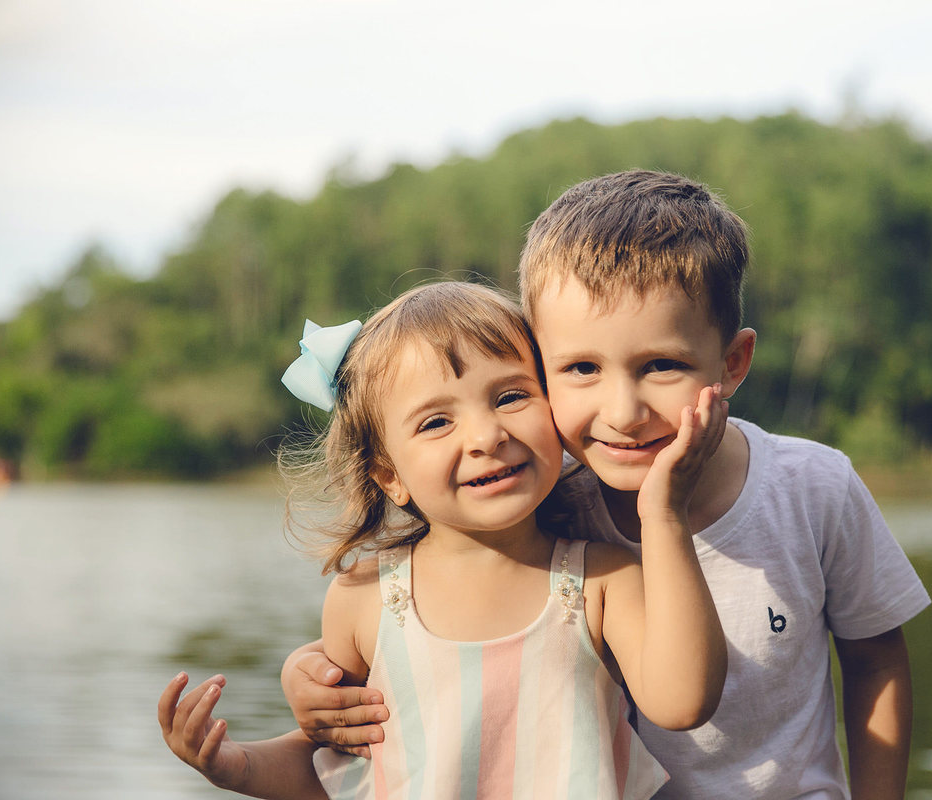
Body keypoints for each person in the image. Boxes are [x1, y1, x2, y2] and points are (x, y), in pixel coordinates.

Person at [283, 170, 932, 799]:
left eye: (662, 366)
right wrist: (310, 673)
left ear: (732, 363)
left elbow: (876, 663)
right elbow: (446, 624)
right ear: (540, 368)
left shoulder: (814, 488)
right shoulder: (546, 505)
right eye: (582, 368)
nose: (623, 411)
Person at [158, 281, 729, 799]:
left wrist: (664, 515)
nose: (487, 435)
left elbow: (682, 703)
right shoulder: (363, 599)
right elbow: (339, 766)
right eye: (436, 422)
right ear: (389, 474)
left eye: (510, 397)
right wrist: (231, 765)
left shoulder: (601, 580)